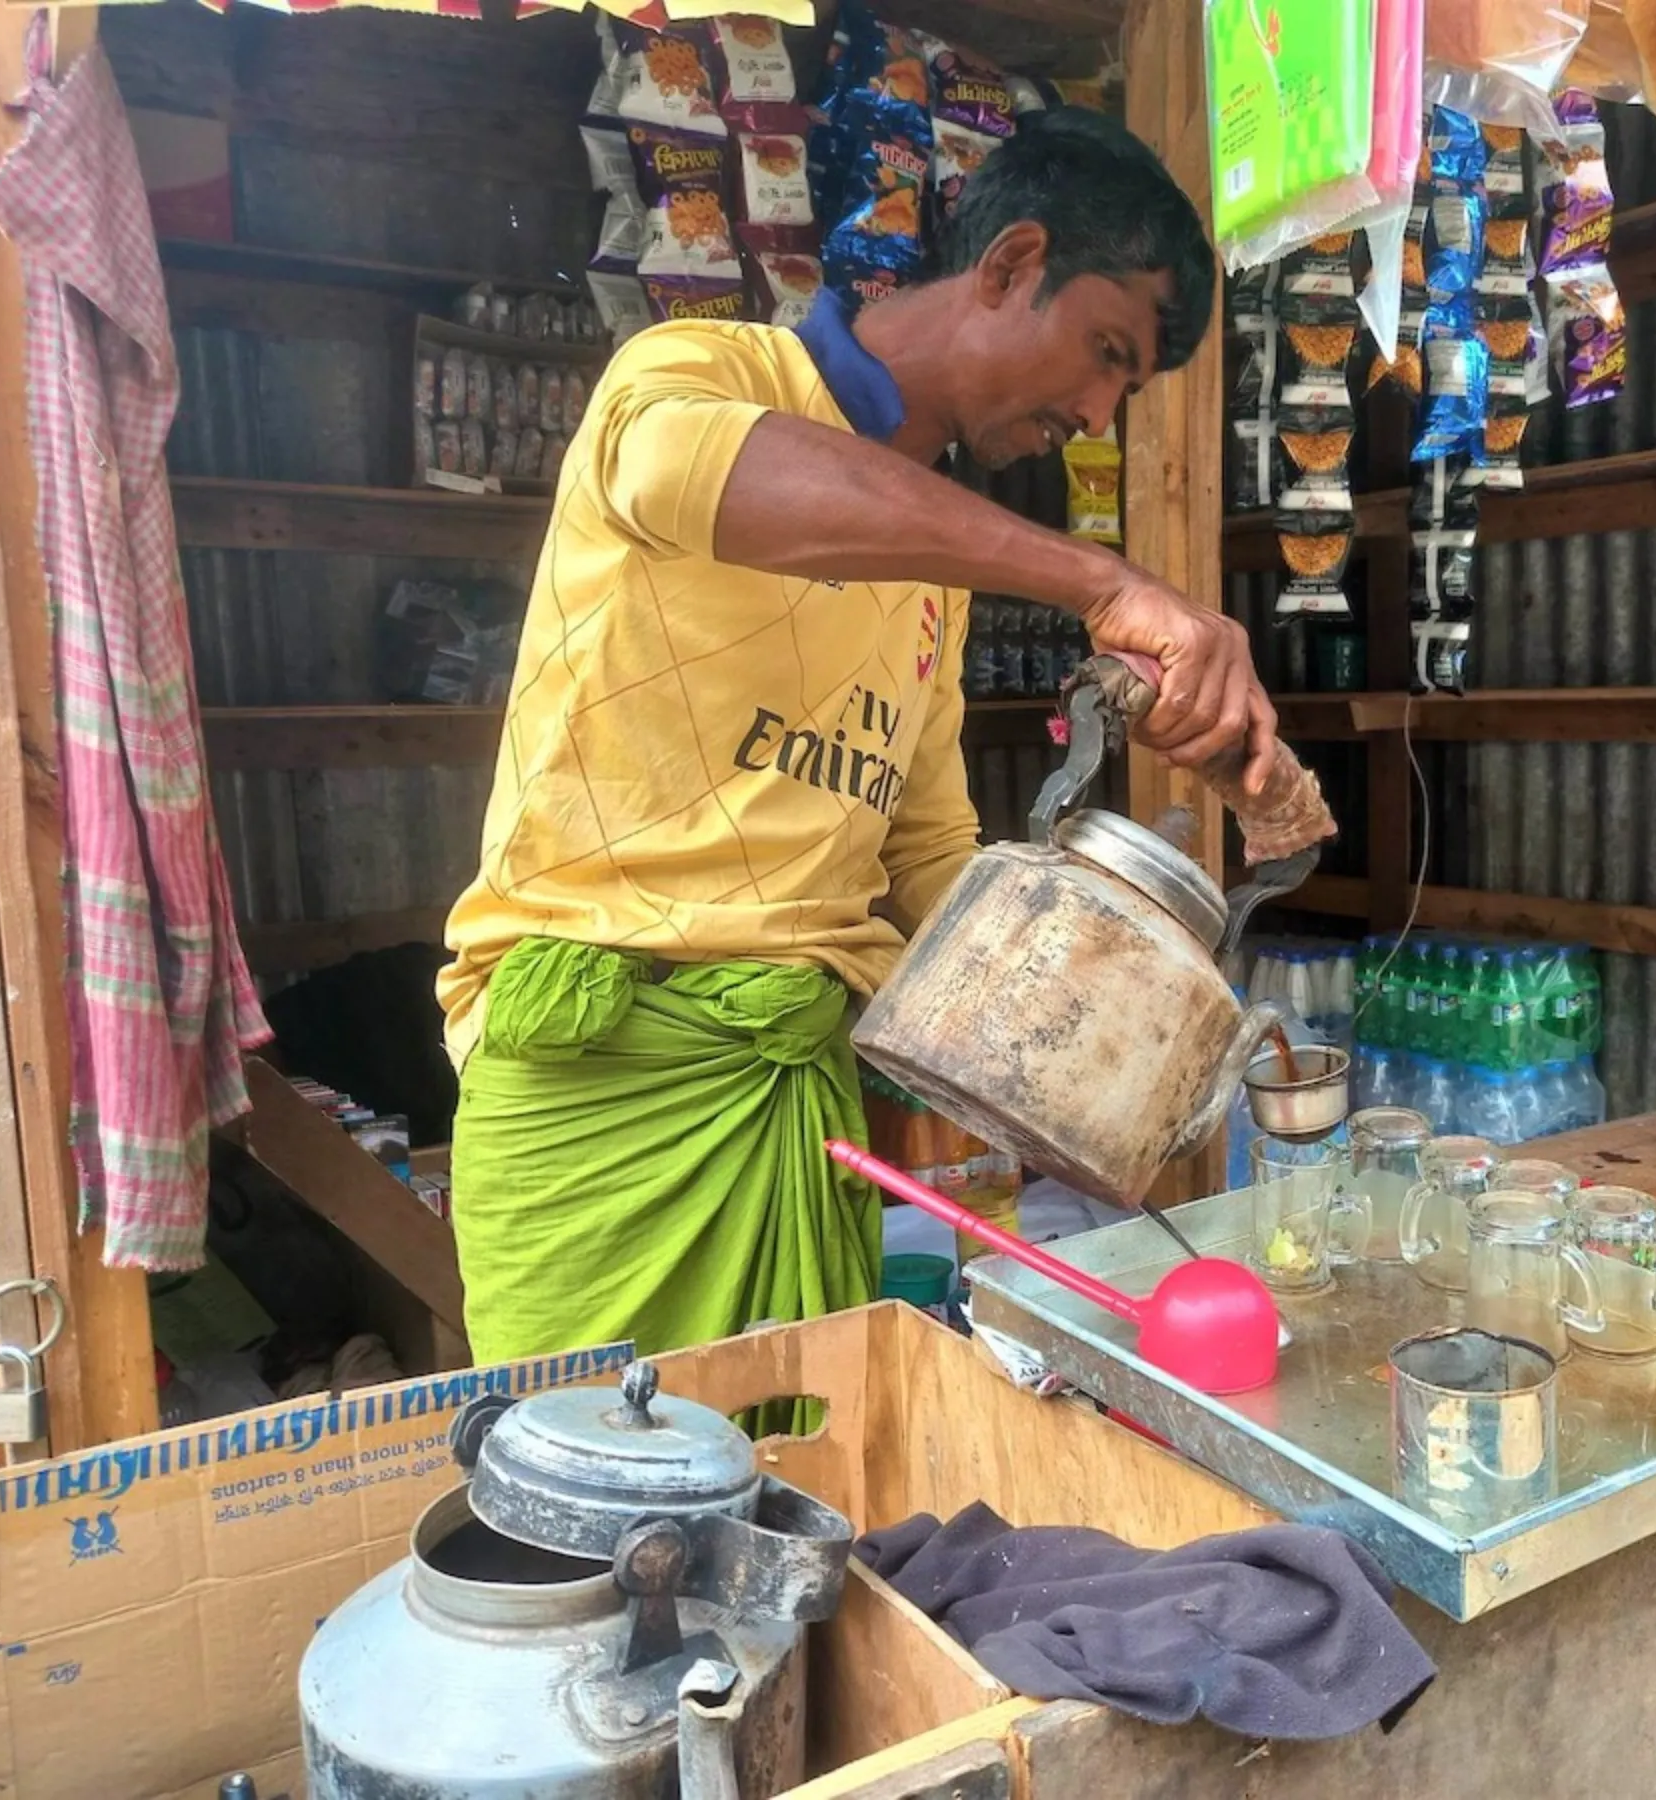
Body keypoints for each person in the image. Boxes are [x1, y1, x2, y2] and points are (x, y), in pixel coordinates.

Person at [439, 108, 1270, 1365]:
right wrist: (1098, 581)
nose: (1098, 412)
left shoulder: (932, 567)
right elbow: (691, 475)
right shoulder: (695, 374)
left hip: (795, 1093)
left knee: (799, 1513)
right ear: (1007, 265)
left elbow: (928, 847)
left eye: (1129, 387)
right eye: (1105, 352)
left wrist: (1099, 1028)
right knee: (591, 1517)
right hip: (603, 1084)